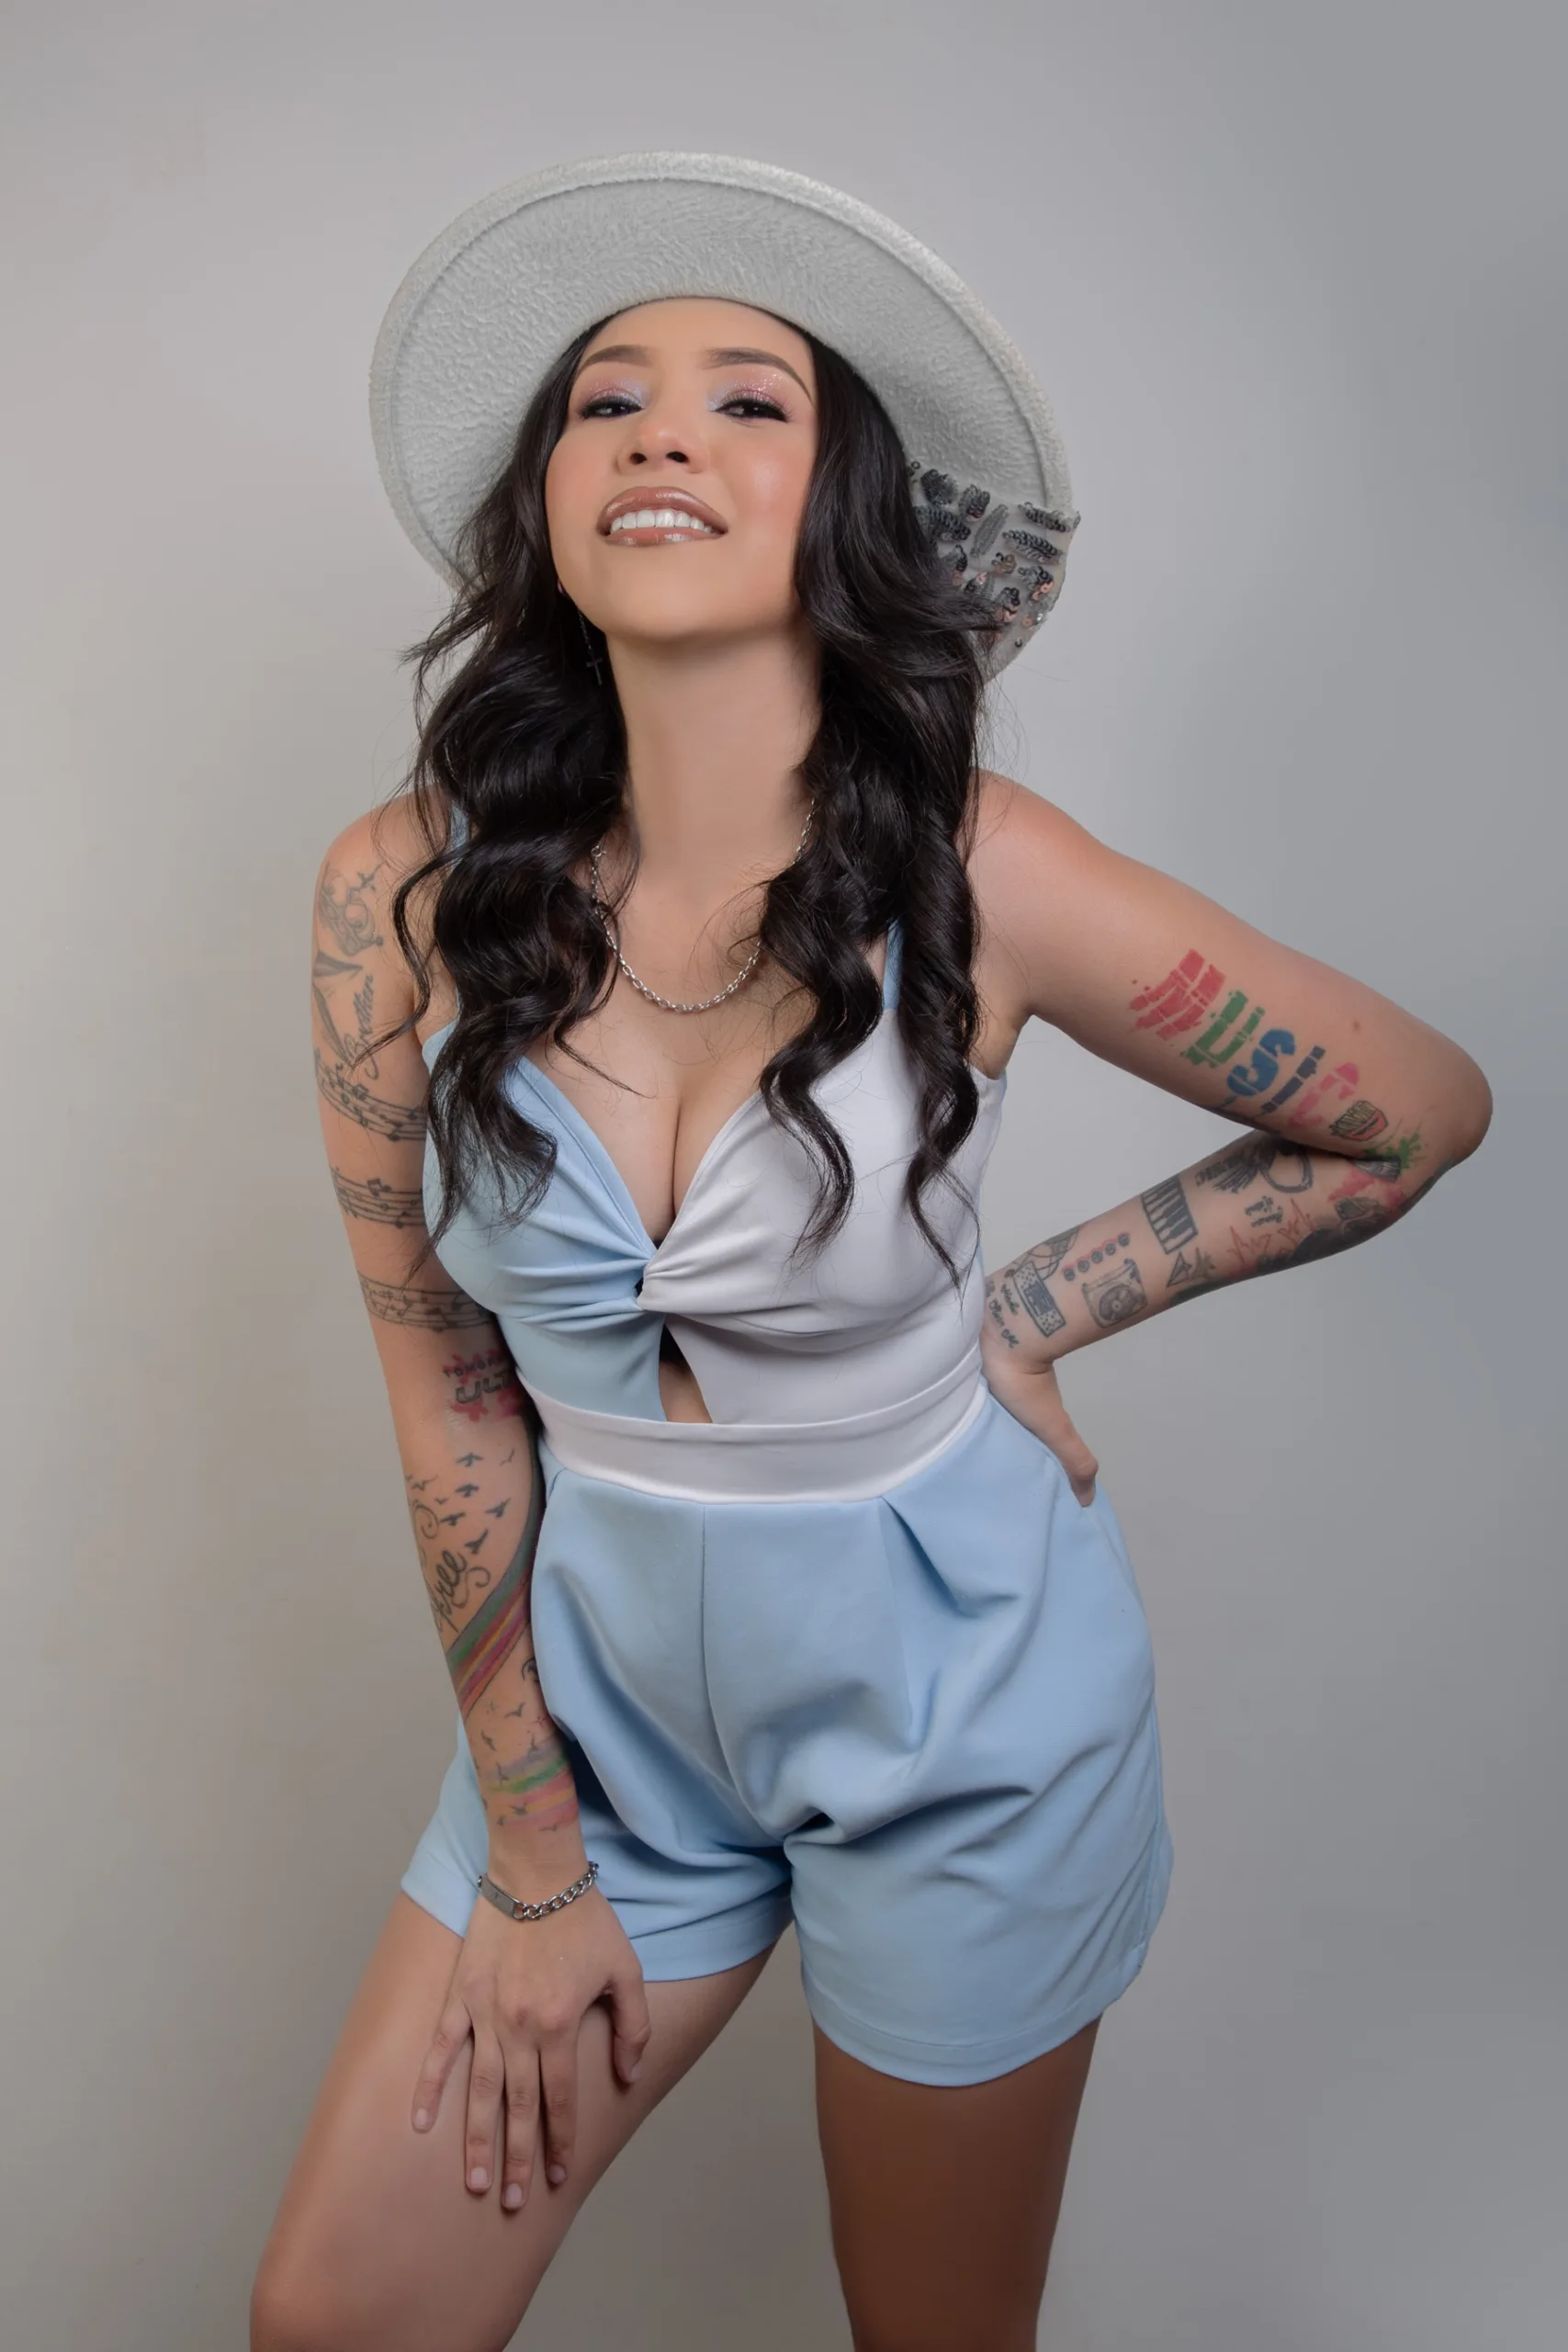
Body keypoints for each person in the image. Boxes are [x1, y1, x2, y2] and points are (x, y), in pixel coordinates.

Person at [253, 155, 1492, 2351]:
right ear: (545, 501)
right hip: (597, 1709)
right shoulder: (397, 898)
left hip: (963, 1702)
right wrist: (531, 1844)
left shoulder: (981, 871)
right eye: (606, 399)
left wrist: (1038, 1307)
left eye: (748, 400)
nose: (659, 430)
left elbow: (1408, 1104)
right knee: (339, 2319)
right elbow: (442, 1392)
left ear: (844, 510)